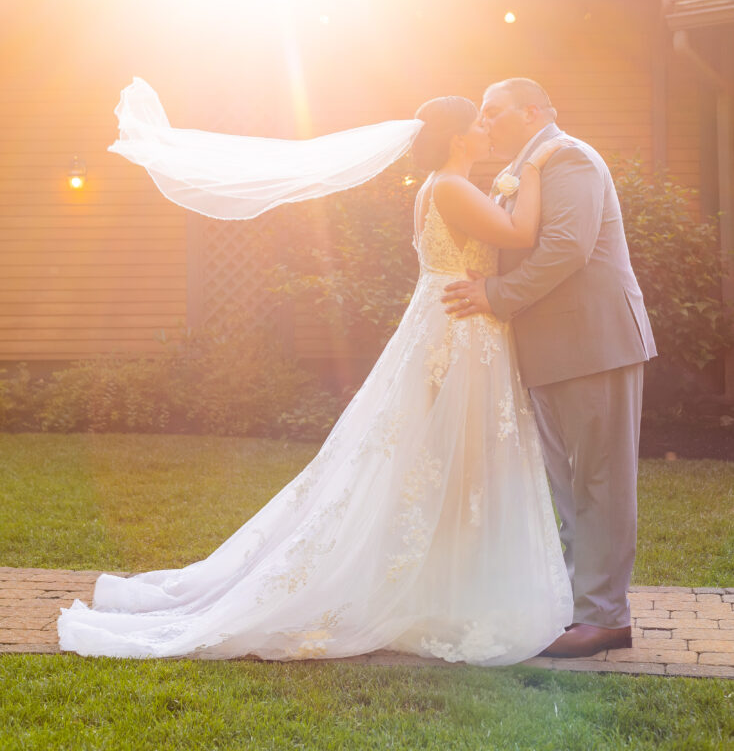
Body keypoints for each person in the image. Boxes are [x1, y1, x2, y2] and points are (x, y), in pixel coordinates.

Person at [58, 95, 574, 664]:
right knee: (453, 465)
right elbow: (522, 234)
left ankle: (446, 589)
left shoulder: (443, 186)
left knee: (447, 467)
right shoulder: (450, 187)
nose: (486, 127)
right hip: (457, 332)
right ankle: (443, 592)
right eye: (478, 122)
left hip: (453, 324)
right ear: (456, 138)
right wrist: (533, 167)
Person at [443, 78, 657, 657]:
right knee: (566, 486)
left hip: (593, 343)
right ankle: (575, 606)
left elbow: (567, 247)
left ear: (533, 111)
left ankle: (606, 617)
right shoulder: (522, 170)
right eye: (480, 114)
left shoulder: (568, 157)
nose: (484, 122)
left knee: (601, 482)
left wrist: (497, 295)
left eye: (495, 112)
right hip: (548, 350)